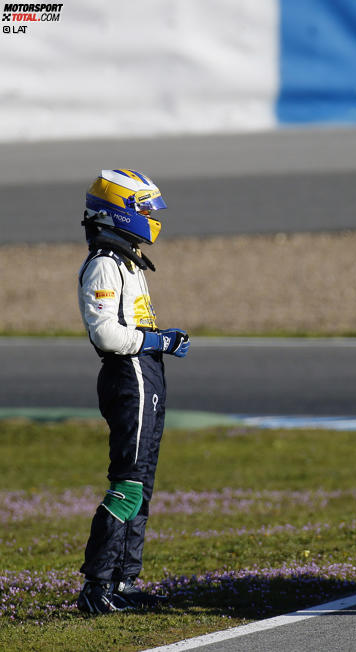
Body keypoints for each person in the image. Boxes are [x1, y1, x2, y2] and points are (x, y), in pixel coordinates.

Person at [76, 169, 190, 614]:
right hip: (129, 374)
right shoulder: (104, 263)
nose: (150, 218)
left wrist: (158, 343)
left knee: (142, 481)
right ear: (119, 213)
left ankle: (122, 582)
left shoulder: (127, 259)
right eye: (143, 209)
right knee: (127, 483)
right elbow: (106, 334)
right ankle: (97, 587)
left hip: (146, 372)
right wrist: (159, 341)